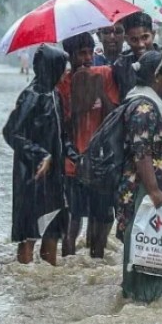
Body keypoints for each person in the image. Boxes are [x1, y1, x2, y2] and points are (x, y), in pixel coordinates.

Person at [116, 50, 162, 303]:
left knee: (147, 247)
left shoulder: (143, 101)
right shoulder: (145, 107)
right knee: (145, 248)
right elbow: (141, 152)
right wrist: (155, 190)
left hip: (144, 189)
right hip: (143, 190)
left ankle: (142, 301)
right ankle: (143, 301)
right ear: (157, 77)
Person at [2, 45, 69, 266]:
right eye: (61, 66)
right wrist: (40, 155)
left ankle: (49, 283)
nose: (65, 71)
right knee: (29, 232)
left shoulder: (55, 94)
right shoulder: (31, 96)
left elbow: (61, 134)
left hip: (54, 177)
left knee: (52, 230)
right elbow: (11, 132)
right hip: (31, 175)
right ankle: (26, 279)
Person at [56, 33, 120, 258]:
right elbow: (60, 127)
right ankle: (68, 270)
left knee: (103, 217)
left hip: (101, 163)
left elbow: (116, 116)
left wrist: (99, 91)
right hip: (73, 164)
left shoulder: (105, 74)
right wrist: (79, 95)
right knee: (73, 220)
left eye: (90, 52)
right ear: (69, 56)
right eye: (81, 53)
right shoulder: (62, 83)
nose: (87, 58)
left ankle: (96, 261)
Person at [112, 12, 162, 123]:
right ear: (127, 39)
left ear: (153, 34)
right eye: (134, 40)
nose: (141, 44)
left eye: (145, 37)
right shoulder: (121, 67)